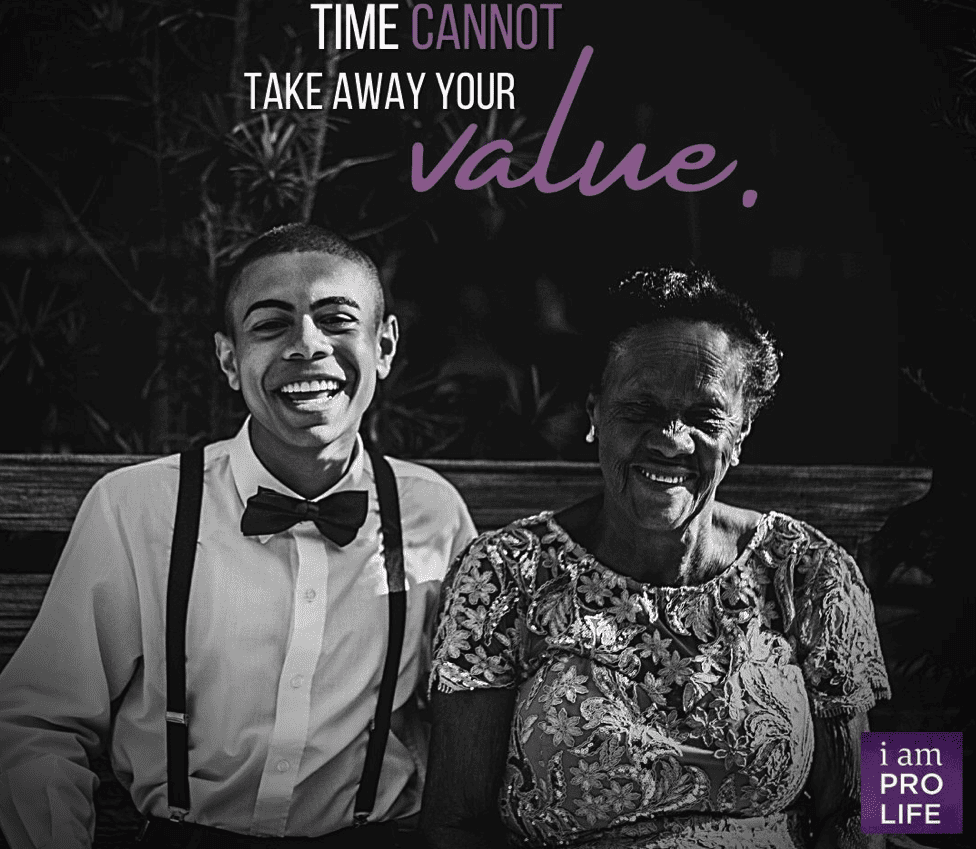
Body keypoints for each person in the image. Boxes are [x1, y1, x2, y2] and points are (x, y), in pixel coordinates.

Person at [0, 224, 477, 848]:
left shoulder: (433, 514)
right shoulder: (137, 508)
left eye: (336, 319)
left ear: (384, 346)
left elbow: (467, 723)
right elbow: (39, 722)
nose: (308, 345)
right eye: (271, 324)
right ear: (229, 359)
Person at [422, 267, 890, 849]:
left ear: (740, 433)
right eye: (640, 411)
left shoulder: (809, 572)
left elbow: (861, 807)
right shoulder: (505, 573)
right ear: (594, 413)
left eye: (705, 418)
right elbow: (453, 823)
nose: (671, 438)